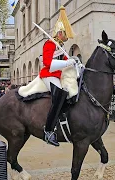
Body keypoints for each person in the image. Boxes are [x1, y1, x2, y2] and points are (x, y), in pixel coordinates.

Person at [39, 6, 76, 146]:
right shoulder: (50, 43)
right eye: (65, 33)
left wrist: (74, 63)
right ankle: (48, 130)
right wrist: (67, 63)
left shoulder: (61, 46)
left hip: (59, 75)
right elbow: (47, 62)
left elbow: (64, 62)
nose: (67, 36)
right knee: (59, 94)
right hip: (49, 75)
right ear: (60, 32)